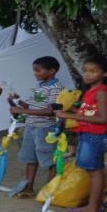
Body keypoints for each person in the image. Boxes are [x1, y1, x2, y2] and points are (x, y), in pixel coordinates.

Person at [56, 55, 107, 212]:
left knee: (95, 171)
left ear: (105, 74)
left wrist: (68, 115)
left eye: (93, 71)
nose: (87, 74)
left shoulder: (102, 92)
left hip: (95, 136)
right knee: (92, 171)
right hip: (87, 134)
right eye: (85, 71)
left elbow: (104, 118)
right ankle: (94, 205)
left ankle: (93, 208)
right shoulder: (91, 91)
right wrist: (70, 110)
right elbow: (88, 113)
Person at [9, 56, 63, 197]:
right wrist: (17, 101)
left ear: (51, 71)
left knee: (49, 159)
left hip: (46, 128)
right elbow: (31, 106)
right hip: (31, 126)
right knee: (30, 158)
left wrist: (22, 111)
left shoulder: (56, 88)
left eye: (38, 70)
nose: (35, 73)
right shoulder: (39, 86)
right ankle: (29, 187)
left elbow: (51, 111)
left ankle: (50, 191)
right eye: (34, 70)